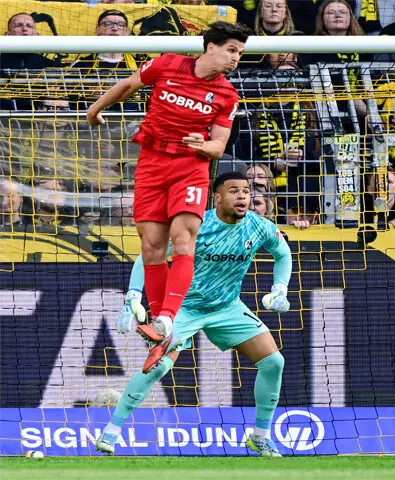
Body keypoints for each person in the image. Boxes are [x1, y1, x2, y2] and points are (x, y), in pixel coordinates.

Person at [86, 22, 250, 370]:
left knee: (183, 239)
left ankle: (167, 317)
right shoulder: (168, 64)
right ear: (210, 47)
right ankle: (159, 333)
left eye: (241, 53)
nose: (237, 58)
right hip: (151, 163)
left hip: (191, 167)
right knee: (152, 246)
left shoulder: (226, 94)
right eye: (232, 50)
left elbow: (219, 146)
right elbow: (128, 85)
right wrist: (94, 110)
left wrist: (203, 145)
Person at [95, 172, 292, 457]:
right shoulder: (197, 225)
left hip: (227, 307)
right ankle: (111, 432)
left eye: (247, 192)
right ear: (217, 197)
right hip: (183, 307)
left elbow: (282, 253)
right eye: (234, 191)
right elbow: (150, 253)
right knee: (159, 366)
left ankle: (260, 435)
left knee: (274, 362)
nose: (242, 197)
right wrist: (133, 295)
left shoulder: (259, 227)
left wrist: (280, 289)